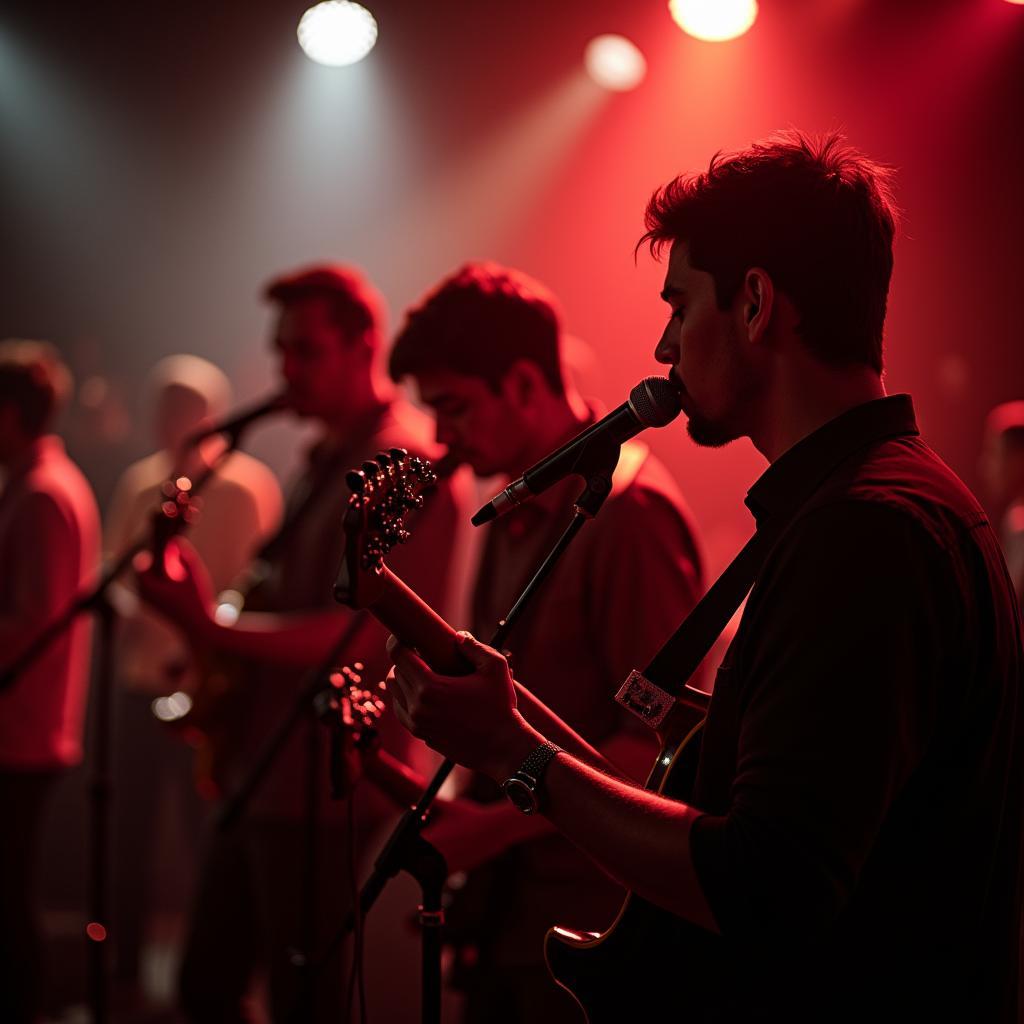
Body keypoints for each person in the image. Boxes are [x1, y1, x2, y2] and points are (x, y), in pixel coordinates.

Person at [386, 133, 1023, 1022]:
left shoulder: (865, 530)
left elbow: (768, 884)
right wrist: (510, 723)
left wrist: (514, 754)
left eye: (680, 307)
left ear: (756, 303)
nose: (662, 343)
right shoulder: (865, 503)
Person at [136, 265, 459, 1023]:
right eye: (280, 351)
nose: (286, 370)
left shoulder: (402, 465)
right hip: (266, 771)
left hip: (325, 785)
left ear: (363, 347)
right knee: (206, 985)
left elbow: (362, 636)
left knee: (301, 1001)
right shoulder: (324, 457)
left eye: (306, 351)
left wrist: (209, 627)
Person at [387, 261, 705, 1021]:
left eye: (454, 407)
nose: (441, 438)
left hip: (587, 926)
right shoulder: (515, 499)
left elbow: (662, 756)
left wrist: (484, 834)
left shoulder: (629, 518)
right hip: (512, 920)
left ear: (526, 384)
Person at [104, 354, 283, 999]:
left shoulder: (247, 486)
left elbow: (261, 585)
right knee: (129, 827)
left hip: (212, 692)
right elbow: (114, 573)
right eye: (164, 407)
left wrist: (203, 639)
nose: (172, 421)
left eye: (185, 408)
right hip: (140, 681)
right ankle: (124, 972)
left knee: (207, 835)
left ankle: (219, 978)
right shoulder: (138, 482)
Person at [0, 340, 101, 1024]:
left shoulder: (41, 493)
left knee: (8, 897)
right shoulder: (40, 485)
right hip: (25, 724)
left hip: (19, 728)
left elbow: (32, 622)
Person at [980, 400, 1024, 605]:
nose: (984, 466)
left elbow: (1008, 602)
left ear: (1019, 458)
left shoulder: (1019, 524)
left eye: (994, 454)